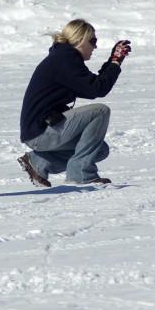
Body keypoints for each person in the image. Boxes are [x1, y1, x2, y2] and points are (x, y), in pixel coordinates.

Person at [18, 19, 131, 186]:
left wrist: (114, 61)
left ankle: (38, 162)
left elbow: (95, 85)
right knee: (100, 111)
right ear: (79, 40)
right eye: (92, 41)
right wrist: (114, 62)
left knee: (99, 149)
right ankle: (81, 174)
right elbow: (96, 90)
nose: (95, 46)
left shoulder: (64, 57)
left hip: (40, 130)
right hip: (40, 132)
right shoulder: (64, 59)